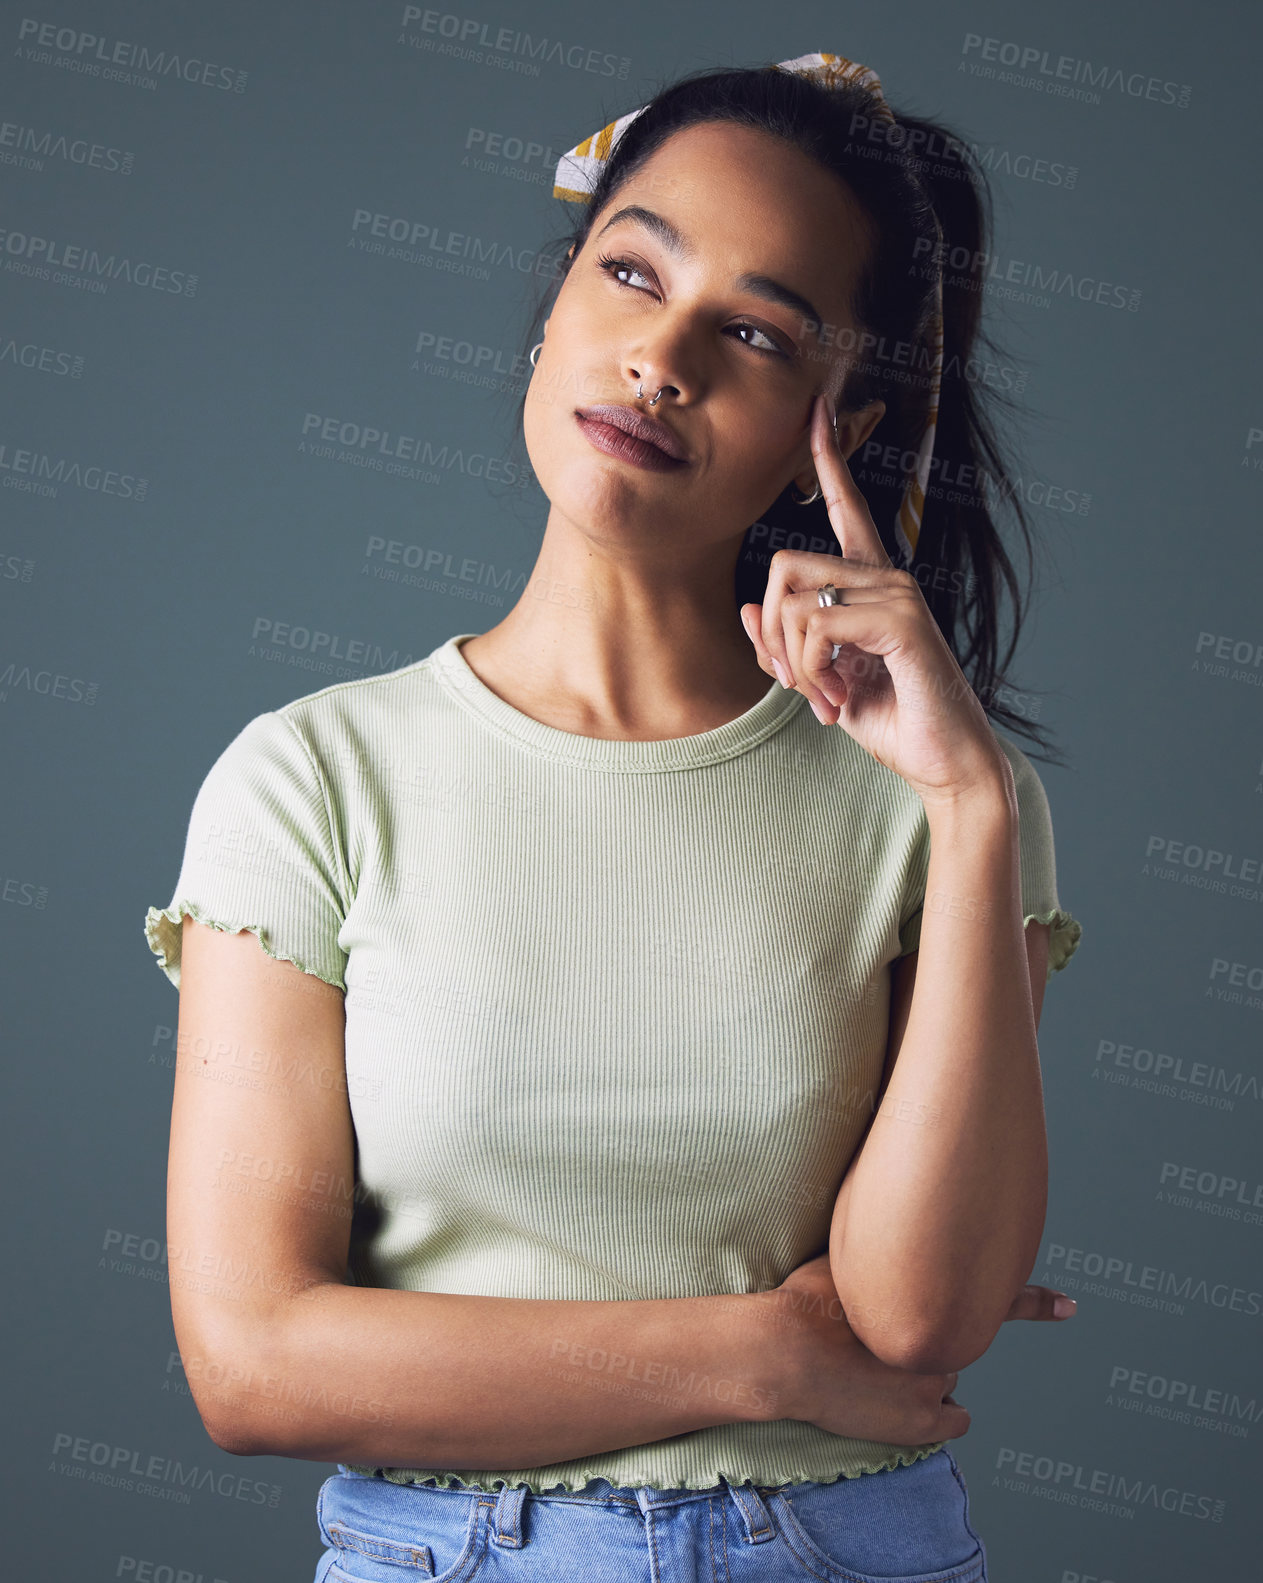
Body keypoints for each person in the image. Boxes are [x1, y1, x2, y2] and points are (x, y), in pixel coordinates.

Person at [144, 52, 1083, 1583]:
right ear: (554, 300)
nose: (661, 359)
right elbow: (255, 1366)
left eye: (757, 332)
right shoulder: (311, 779)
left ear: (834, 420)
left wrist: (970, 806)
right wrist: (756, 1360)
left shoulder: (940, 797)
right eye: (632, 270)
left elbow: (920, 1319)